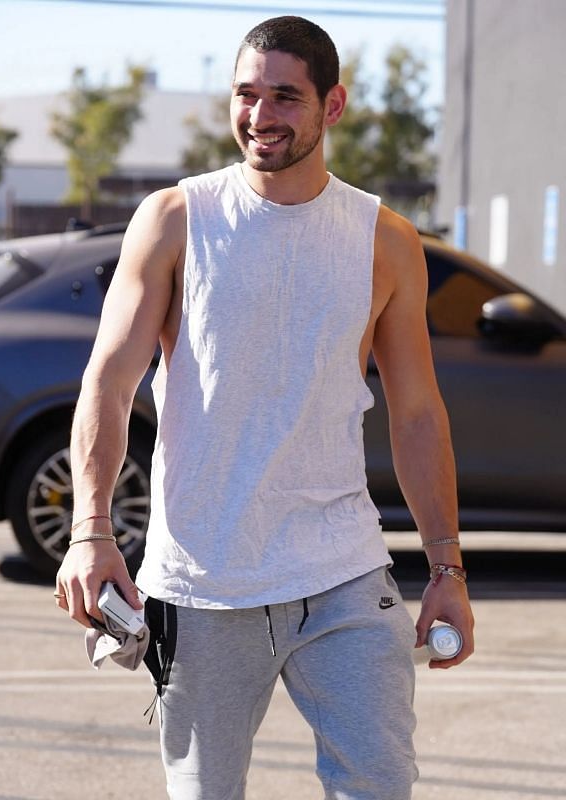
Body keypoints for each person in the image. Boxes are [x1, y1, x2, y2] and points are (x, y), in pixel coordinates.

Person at [55, 15, 474, 800]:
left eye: (285, 96)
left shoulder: (385, 240)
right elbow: (107, 383)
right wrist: (90, 532)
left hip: (344, 570)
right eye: (247, 94)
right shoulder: (178, 219)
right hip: (203, 582)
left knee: (380, 786)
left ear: (333, 105)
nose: (261, 115)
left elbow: (418, 414)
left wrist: (446, 565)